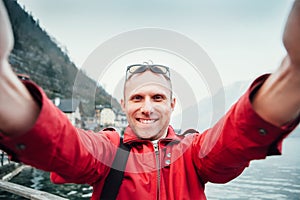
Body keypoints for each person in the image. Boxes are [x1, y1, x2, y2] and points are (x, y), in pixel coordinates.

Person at [0, 1, 299, 200]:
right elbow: (65, 146)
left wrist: (293, 75)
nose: (147, 107)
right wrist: (5, 88)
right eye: (137, 98)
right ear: (124, 104)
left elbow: (233, 139)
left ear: (172, 104)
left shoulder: (193, 152)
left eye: (157, 97)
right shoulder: (107, 152)